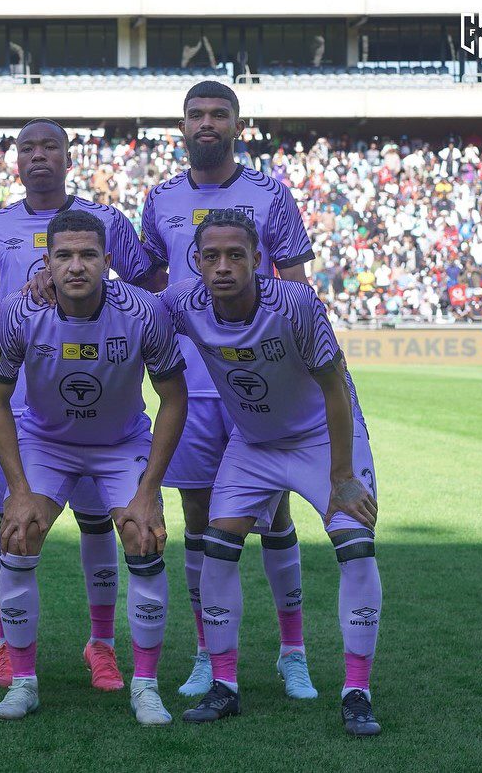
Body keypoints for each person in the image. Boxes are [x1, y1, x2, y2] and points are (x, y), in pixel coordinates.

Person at [0, 118, 160, 691]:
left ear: (68, 157)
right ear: (15, 160)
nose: (38, 157)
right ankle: (6, 649)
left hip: (101, 399)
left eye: (50, 147)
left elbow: (144, 288)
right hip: (21, 403)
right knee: (13, 524)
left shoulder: (108, 221)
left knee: (100, 521)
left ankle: (102, 646)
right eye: (27, 148)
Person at [163, 210, 382, 736]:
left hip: (321, 437)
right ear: (196, 262)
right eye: (210, 256)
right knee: (216, 547)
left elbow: (335, 384)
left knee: (354, 547)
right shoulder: (182, 303)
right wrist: (46, 286)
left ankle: (357, 690)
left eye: (235, 255)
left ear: (258, 261)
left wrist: (342, 475)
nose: (222, 267)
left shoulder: (296, 303)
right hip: (253, 443)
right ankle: (225, 683)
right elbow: (122, 311)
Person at [138, 81, 318, 698]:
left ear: (238, 124)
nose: (207, 123)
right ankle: (206, 652)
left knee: (275, 514)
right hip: (188, 384)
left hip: (256, 382)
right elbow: (155, 288)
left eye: (219, 113)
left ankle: (292, 652)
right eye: (197, 114)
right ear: (182, 125)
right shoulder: (159, 198)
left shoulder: (271, 194)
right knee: (197, 518)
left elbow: (295, 288)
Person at [0, 210, 187, 724]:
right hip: (47, 441)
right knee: (19, 533)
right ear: (46, 263)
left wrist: (149, 490)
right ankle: (23, 683)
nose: (77, 266)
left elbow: (173, 399)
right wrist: (19, 488)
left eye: (88, 255)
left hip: (119, 444)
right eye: (64, 255)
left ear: (108, 261)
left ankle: (145, 685)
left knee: (142, 535)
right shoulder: (17, 311)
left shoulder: (143, 311)